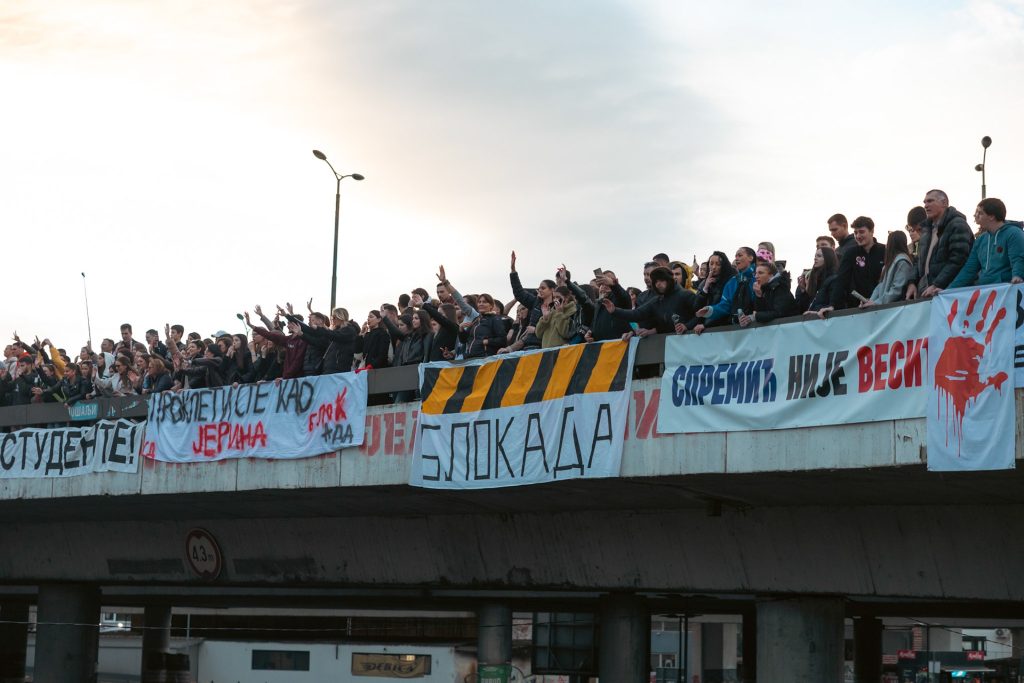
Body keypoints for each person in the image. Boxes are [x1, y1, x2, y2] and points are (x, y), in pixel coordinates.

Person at [906, 189, 974, 299]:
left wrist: (937, 284)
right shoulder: (927, 229)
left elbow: (958, 260)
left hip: (948, 294)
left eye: (930, 201)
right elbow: (918, 260)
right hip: (927, 292)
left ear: (944, 203)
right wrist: (912, 282)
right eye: (925, 202)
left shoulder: (957, 225)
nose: (926, 205)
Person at [946, 198, 1024, 289]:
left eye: (980, 213)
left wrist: (1017, 276)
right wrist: (949, 290)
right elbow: (969, 269)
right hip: (985, 293)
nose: (975, 215)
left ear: (991, 216)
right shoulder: (980, 240)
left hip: (1007, 291)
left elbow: (1018, 259)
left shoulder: (1014, 233)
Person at [603, 266, 696, 335]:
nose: (658, 284)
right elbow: (637, 314)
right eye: (655, 281)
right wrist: (615, 310)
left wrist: (687, 326)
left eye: (661, 280)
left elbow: (701, 315)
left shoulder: (686, 295)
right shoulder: (657, 301)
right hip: (669, 348)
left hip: (693, 345)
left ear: (669, 280)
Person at [829, 216, 885, 309]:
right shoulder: (851, 253)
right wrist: (832, 305)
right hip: (858, 308)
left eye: (862, 232)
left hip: (883, 305)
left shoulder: (884, 250)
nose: (858, 236)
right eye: (855, 233)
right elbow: (841, 280)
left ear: (871, 231)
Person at [695, 247, 756, 329]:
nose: (737, 259)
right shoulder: (732, 281)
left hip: (761, 328)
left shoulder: (759, 276)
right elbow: (725, 306)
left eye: (740, 255)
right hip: (738, 330)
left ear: (751, 257)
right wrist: (710, 310)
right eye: (736, 256)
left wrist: (753, 317)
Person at [688, 251, 737, 333]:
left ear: (724, 266)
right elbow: (696, 308)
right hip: (704, 328)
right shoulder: (704, 282)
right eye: (711, 264)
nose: (713, 267)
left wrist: (706, 325)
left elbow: (726, 309)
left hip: (723, 328)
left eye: (718, 264)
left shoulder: (730, 281)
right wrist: (705, 288)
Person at [861, 231, 914, 306]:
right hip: (885, 308)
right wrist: (870, 301)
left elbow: (897, 290)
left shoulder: (902, 262)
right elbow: (880, 286)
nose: (886, 245)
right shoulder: (889, 263)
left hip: (895, 310)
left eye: (888, 242)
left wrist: (877, 302)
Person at [459, 293, 506, 358]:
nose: (481, 304)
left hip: (485, 359)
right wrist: (461, 329)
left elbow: (502, 340)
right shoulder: (476, 320)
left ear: (491, 306)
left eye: (484, 302)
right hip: (470, 358)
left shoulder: (495, 319)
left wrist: (487, 341)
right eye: (479, 302)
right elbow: (464, 340)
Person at [796, 246, 839, 314]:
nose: (815, 258)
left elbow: (834, 306)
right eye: (815, 256)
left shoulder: (834, 280)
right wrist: (803, 291)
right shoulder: (816, 281)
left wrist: (815, 312)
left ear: (828, 258)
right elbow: (804, 308)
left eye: (819, 256)